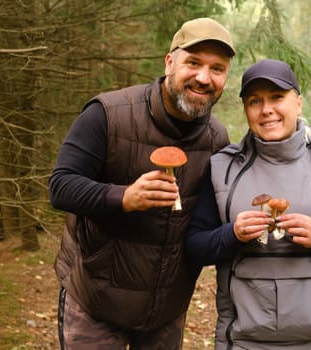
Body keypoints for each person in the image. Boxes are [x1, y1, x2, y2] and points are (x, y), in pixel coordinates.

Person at [49, 17, 235, 350]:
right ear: (170, 62)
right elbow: (61, 186)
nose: (203, 78)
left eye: (217, 69)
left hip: (165, 311)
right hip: (95, 302)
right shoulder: (108, 114)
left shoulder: (216, 139)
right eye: (193, 63)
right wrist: (123, 197)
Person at [186, 59, 311, 349]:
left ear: (298, 103)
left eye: (277, 97)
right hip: (242, 340)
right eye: (254, 101)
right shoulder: (222, 168)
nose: (266, 110)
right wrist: (232, 234)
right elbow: (195, 248)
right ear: (246, 110)